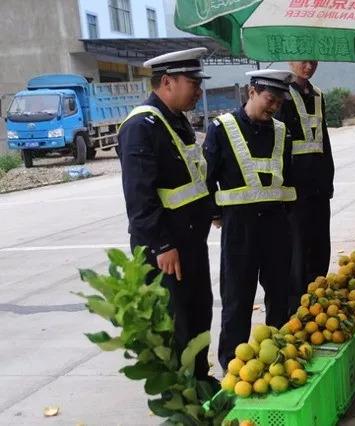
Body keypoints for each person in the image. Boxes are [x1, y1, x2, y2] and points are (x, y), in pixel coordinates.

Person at [117, 48, 215, 382]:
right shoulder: (141, 126)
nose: (198, 89)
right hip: (167, 248)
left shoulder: (176, 121)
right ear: (168, 81)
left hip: (190, 241)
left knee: (199, 313)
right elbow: (139, 197)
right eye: (192, 82)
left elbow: (191, 177)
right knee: (176, 324)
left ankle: (199, 381)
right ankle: (180, 398)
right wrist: (161, 245)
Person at [203, 69, 297, 369]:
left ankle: (280, 358)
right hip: (239, 229)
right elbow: (208, 177)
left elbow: (289, 177)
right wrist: (216, 214)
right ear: (251, 91)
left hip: (276, 226)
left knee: (280, 295)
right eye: (270, 99)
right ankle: (233, 365)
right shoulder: (221, 128)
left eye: (279, 103)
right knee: (237, 299)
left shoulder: (282, 131)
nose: (273, 107)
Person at [276, 61, 335, 315]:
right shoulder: (283, 95)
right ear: (290, 61)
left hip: (319, 187)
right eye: (302, 60)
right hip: (295, 188)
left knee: (321, 245)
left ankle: (317, 301)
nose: (308, 66)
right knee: (298, 252)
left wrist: (329, 178)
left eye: (312, 60)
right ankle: (296, 312)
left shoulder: (318, 95)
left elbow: (324, 139)